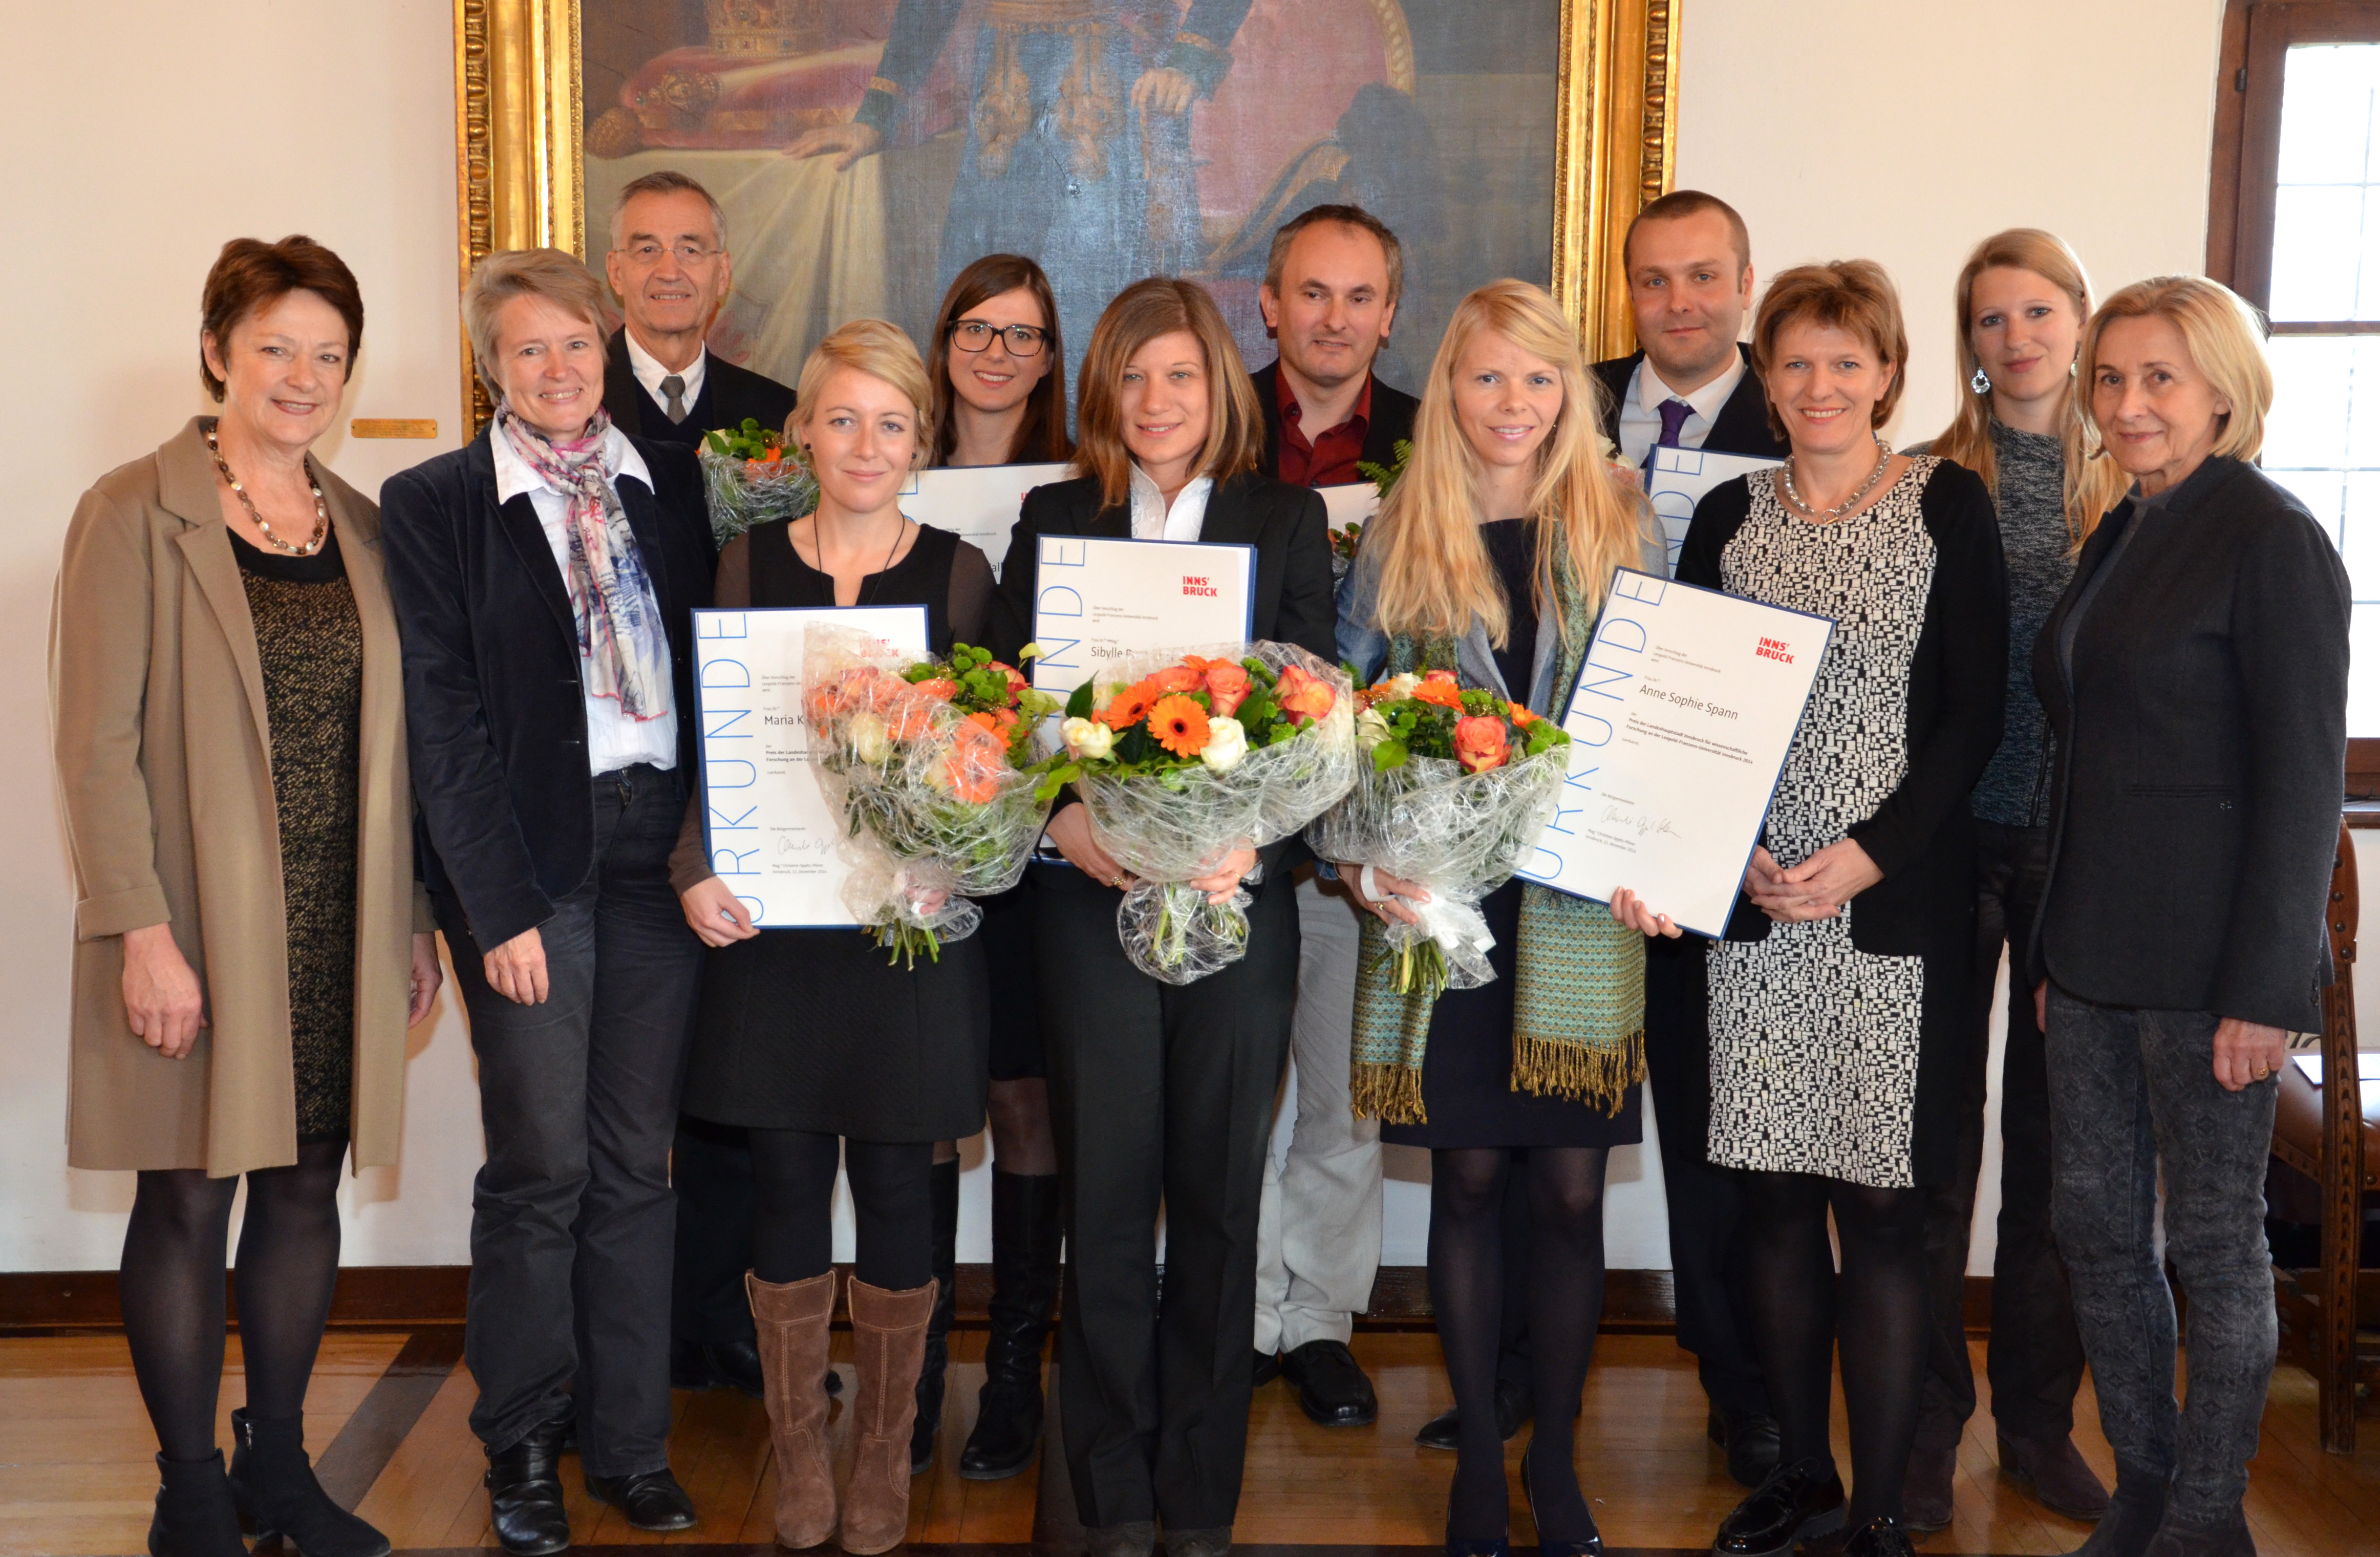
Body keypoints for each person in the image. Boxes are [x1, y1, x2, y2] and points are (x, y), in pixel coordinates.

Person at [52, 235, 440, 1557]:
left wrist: (414, 922)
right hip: (196, 927)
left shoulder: (367, 529)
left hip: (340, 919)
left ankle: (279, 1470)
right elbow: (92, 747)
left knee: (301, 1191)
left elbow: (401, 746)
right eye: (278, 346)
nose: (304, 375)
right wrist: (137, 931)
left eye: (329, 354)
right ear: (218, 349)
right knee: (183, 1201)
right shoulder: (131, 512)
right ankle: (188, 1490)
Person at [988, 276, 1336, 1557]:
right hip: (1090, 906)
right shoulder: (1054, 517)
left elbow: (1317, 711)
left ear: (1220, 389)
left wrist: (1258, 832)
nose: (1155, 400)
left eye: (1180, 375)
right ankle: (1107, 1492)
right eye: (1132, 377)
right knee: (1107, 1193)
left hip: (1233, 904)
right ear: (1104, 391)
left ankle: (1197, 1498)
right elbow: (1017, 710)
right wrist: (1059, 823)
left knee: (1218, 1200)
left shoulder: (1284, 518)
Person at [381, 248, 718, 1555]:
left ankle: (630, 1444)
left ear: (609, 339)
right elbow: (443, 723)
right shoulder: (438, 503)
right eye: (528, 350)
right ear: (490, 364)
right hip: (528, 869)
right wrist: (496, 906)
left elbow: (719, 672)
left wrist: (710, 849)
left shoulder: (674, 482)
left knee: (639, 1165)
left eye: (577, 343)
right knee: (542, 1166)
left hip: (659, 861)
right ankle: (520, 1437)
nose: (560, 370)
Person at [1334, 278, 1671, 1557]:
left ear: (1569, 393)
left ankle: (1560, 1461)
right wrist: (1360, 863)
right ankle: (1480, 1451)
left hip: (1586, 901)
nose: (1513, 403)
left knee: (1574, 1194)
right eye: (1486, 377)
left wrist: (1669, 852)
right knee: (1468, 1178)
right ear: (1450, 391)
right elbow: (1340, 735)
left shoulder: (1623, 520)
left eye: (1539, 378)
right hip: (1448, 906)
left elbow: (1666, 721)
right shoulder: (1393, 537)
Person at [1677, 260, 2006, 1557]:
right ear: (1767, 378)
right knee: (1768, 1202)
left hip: (1892, 913)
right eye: (1796, 363)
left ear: (1887, 374)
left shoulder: (1947, 505)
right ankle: (1800, 1475)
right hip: (1757, 907)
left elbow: (1973, 715)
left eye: (1846, 362)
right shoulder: (1725, 516)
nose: (1820, 386)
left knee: (1878, 1208)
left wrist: (1867, 853)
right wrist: (1743, 844)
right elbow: (1693, 708)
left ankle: (1878, 1507)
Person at [2029, 276, 2348, 1557]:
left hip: (2218, 969)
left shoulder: (2269, 537)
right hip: (2095, 959)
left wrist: (2272, 988)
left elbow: (2302, 779)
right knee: (2096, 1229)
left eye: (2158, 377)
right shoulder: (2123, 528)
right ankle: (2150, 1487)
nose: (2127, 403)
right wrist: (2056, 944)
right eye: (2110, 379)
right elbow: (2084, 753)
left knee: (2215, 1244)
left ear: (2223, 388)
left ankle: (2211, 1514)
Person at [668, 318, 987, 1554]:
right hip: (777, 932)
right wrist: (694, 870)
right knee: (788, 1187)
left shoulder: (959, 574)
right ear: (802, 432)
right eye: (842, 418)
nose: (866, 444)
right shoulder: (745, 562)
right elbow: (714, 744)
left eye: (892, 423)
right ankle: (799, 1454)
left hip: (903, 941)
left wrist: (948, 855)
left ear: (922, 441)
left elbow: (991, 760)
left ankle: (884, 1460)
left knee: (902, 1190)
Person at [1900, 229, 2128, 1532]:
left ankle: (2038, 1425)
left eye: (2038, 310)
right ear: (1968, 344)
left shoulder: (2141, 485)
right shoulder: (1929, 482)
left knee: (2058, 1158)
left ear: (2080, 319)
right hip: (1943, 849)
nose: (2017, 336)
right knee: (1932, 1147)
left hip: (2079, 862)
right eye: (1990, 318)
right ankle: (1927, 1419)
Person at [1583, 187, 1787, 1486]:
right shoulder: (1564, 398)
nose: (1680, 304)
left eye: (1704, 277)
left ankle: (1744, 1390)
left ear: (1745, 281)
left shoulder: (1808, 408)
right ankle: (1507, 1375)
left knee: (1723, 1135)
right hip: (1581, 816)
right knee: (1544, 1119)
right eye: (1655, 281)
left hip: (1740, 820)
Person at [899, 252, 1075, 1481]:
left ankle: (1014, 1370)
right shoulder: (884, 466)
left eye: (1024, 333)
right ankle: (912, 1377)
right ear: (944, 337)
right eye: (977, 327)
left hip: (1032, 849)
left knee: (1022, 1099)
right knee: (913, 1109)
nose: (998, 351)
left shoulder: (1077, 494)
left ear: (1052, 354)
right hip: (905, 841)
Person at [1246, 202, 1421, 1431]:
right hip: (1234, 829)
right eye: (1313, 292)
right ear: (1269, 302)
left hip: (1368, 843)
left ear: (1390, 314)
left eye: (1361, 297)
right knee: (1228, 1089)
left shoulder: (1431, 442)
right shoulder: (1209, 425)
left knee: (1341, 1095)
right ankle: (1236, 1307)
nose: (1335, 318)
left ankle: (1314, 1319)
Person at [787, 3, 1254, 386]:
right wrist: (875, 116)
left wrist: (1190, 62)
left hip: (1106, 75)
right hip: (1003, 87)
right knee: (980, 292)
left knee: (1087, 292)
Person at [601, 169, 797, 448]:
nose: (669, 273)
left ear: (723, 273)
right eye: (647, 250)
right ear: (616, 272)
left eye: (690, 250)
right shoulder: (571, 403)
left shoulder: (780, 414)